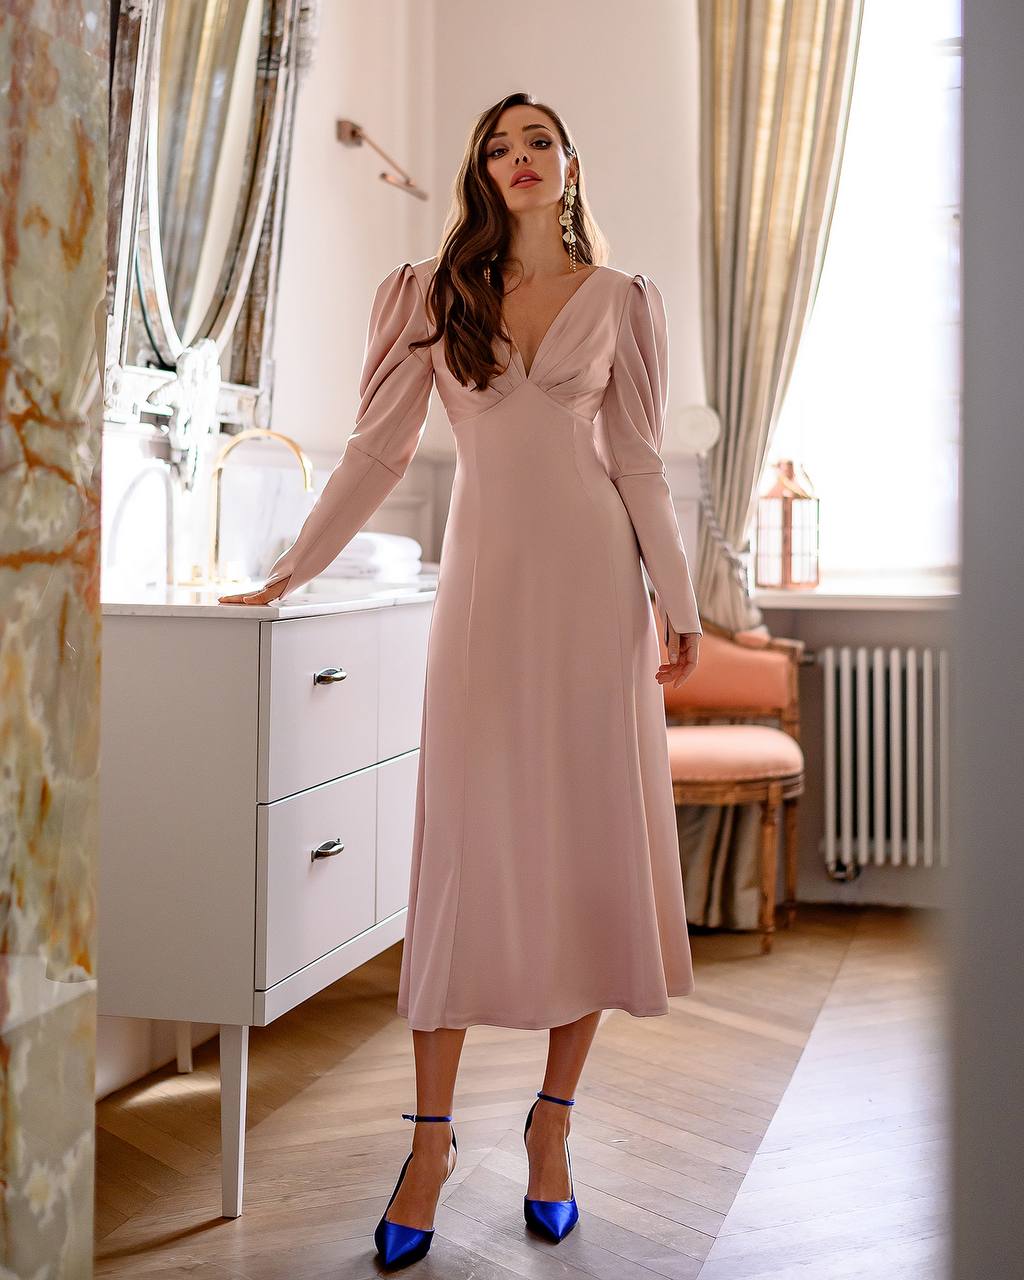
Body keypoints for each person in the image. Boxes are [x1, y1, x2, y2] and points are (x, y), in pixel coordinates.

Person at [219, 91, 701, 1270]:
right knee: (455, 866)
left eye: (538, 140)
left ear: (570, 163)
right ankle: (427, 1144)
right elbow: (380, 447)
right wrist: (287, 568)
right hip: (482, 611)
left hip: (596, 604)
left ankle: (551, 1127)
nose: (519, 157)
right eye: (498, 144)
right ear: (478, 171)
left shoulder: (624, 301)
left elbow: (636, 459)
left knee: (586, 855)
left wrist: (678, 605)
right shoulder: (432, 294)